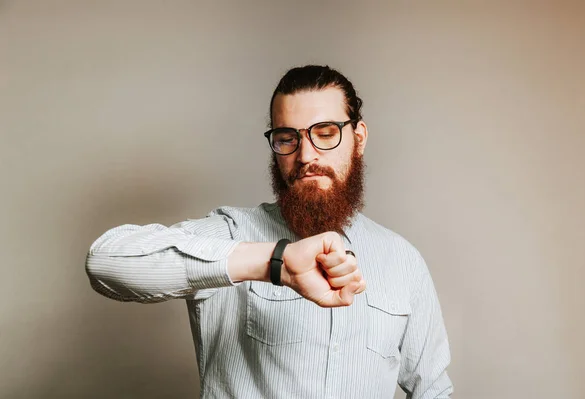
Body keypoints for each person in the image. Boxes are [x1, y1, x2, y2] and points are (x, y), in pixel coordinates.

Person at [86, 65, 453, 398]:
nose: (306, 155)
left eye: (325, 134)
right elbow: (106, 262)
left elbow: (433, 389)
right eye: (287, 138)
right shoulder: (233, 233)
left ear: (359, 138)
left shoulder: (404, 261)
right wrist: (274, 262)